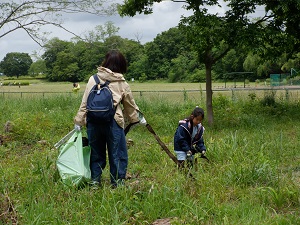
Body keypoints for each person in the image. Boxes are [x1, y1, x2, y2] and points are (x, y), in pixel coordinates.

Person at [74, 50, 146, 188]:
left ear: (105, 62)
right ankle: (117, 182)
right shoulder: (121, 81)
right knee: (117, 153)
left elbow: (85, 102)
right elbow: (130, 104)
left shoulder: (93, 79)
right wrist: (136, 119)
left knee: (96, 151)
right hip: (113, 121)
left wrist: (79, 121)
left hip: (93, 121)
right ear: (121, 64)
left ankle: (95, 181)